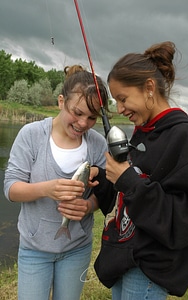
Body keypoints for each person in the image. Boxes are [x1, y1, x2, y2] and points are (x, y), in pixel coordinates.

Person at [89, 41, 188, 299]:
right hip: (123, 258)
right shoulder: (142, 132)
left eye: (123, 99)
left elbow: (184, 220)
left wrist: (127, 180)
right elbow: (131, 188)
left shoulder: (184, 136)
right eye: (116, 101)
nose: (119, 109)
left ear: (149, 87)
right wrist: (103, 178)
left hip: (148, 269)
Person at [4, 64, 109, 300]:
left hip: (77, 249)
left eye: (92, 117)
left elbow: (104, 192)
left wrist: (89, 206)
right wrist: (46, 189)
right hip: (34, 250)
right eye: (77, 113)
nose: (83, 123)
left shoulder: (97, 144)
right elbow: (11, 188)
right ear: (61, 101)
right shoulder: (31, 135)